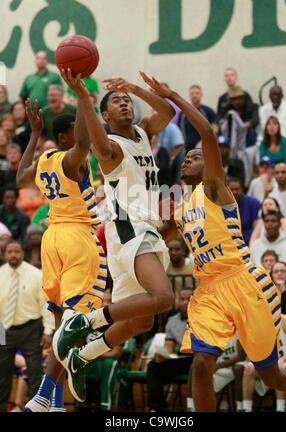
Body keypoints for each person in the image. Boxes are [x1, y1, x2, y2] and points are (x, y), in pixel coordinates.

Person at [142, 74, 286, 412]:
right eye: (185, 157)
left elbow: (207, 134)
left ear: (209, 165)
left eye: (196, 156)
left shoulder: (215, 188)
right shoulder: (180, 207)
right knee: (200, 364)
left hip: (244, 281)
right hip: (209, 290)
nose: (188, 158)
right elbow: (155, 235)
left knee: (271, 376)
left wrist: (172, 97)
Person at [51, 69, 175, 403]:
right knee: (164, 297)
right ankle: (82, 324)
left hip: (140, 232)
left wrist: (135, 88)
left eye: (126, 100)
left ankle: (83, 356)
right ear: (105, 115)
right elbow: (97, 144)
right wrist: (83, 98)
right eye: (116, 102)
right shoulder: (113, 147)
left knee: (142, 321)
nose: (124, 104)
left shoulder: (142, 132)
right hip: (129, 229)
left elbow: (167, 112)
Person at [16, 97, 107, 411]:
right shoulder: (71, 159)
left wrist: (33, 134)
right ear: (67, 137)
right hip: (77, 239)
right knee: (74, 326)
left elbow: (20, 178)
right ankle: (42, 398)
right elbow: (83, 140)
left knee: (59, 325)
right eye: (76, 131)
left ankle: (54, 404)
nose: (86, 138)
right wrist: (82, 97)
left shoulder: (45, 159)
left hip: (50, 239)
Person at [0, 240, 54, 412]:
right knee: (2, 374)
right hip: (3, 329)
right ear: (4, 254)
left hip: (31, 329)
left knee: (34, 372)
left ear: (23, 253)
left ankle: (34, 409)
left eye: (17, 251)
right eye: (10, 252)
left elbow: (45, 306)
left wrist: (47, 331)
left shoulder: (36, 275)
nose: (13, 255)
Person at [146, 287, 193, 412]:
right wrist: (162, 354)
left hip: (199, 356)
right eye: (182, 299)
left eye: (189, 299)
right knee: (153, 366)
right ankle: (157, 409)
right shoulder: (172, 320)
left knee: (198, 363)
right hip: (182, 357)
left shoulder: (203, 317)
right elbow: (169, 345)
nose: (185, 302)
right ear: (178, 300)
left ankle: (194, 407)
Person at [242, 313, 286, 412]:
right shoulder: (256, 324)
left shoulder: (285, 320)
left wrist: (283, 358)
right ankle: (245, 408)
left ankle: (280, 408)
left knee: (277, 368)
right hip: (269, 360)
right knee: (249, 369)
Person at [250, 210, 286, 283]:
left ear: (280, 224)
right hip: (260, 288)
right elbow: (250, 268)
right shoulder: (255, 245)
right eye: (267, 221)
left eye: (273, 221)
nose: (270, 224)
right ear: (264, 224)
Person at [177, 84, 217, 152]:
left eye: (197, 93)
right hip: (186, 149)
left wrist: (203, 142)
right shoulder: (183, 114)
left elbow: (215, 129)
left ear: (201, 95)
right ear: (189, 96)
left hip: (204, 148)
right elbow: (178, 130)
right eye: (192, 93)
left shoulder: (208, 111)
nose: (194, 95)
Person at [228, 177, 260, 245]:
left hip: (249, 240)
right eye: (231, 190)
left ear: (242, 189)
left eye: (237, 189)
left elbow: (257, 227)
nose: (234, 192)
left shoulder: (253, 202)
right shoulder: (221, 205)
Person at [166, 237, 197, 305]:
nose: (173, 252)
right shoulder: (164, 268)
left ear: (184, 251)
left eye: (177, 249)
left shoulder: (193, 266)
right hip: (172, 308)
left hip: (192, 305)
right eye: (170, 250)